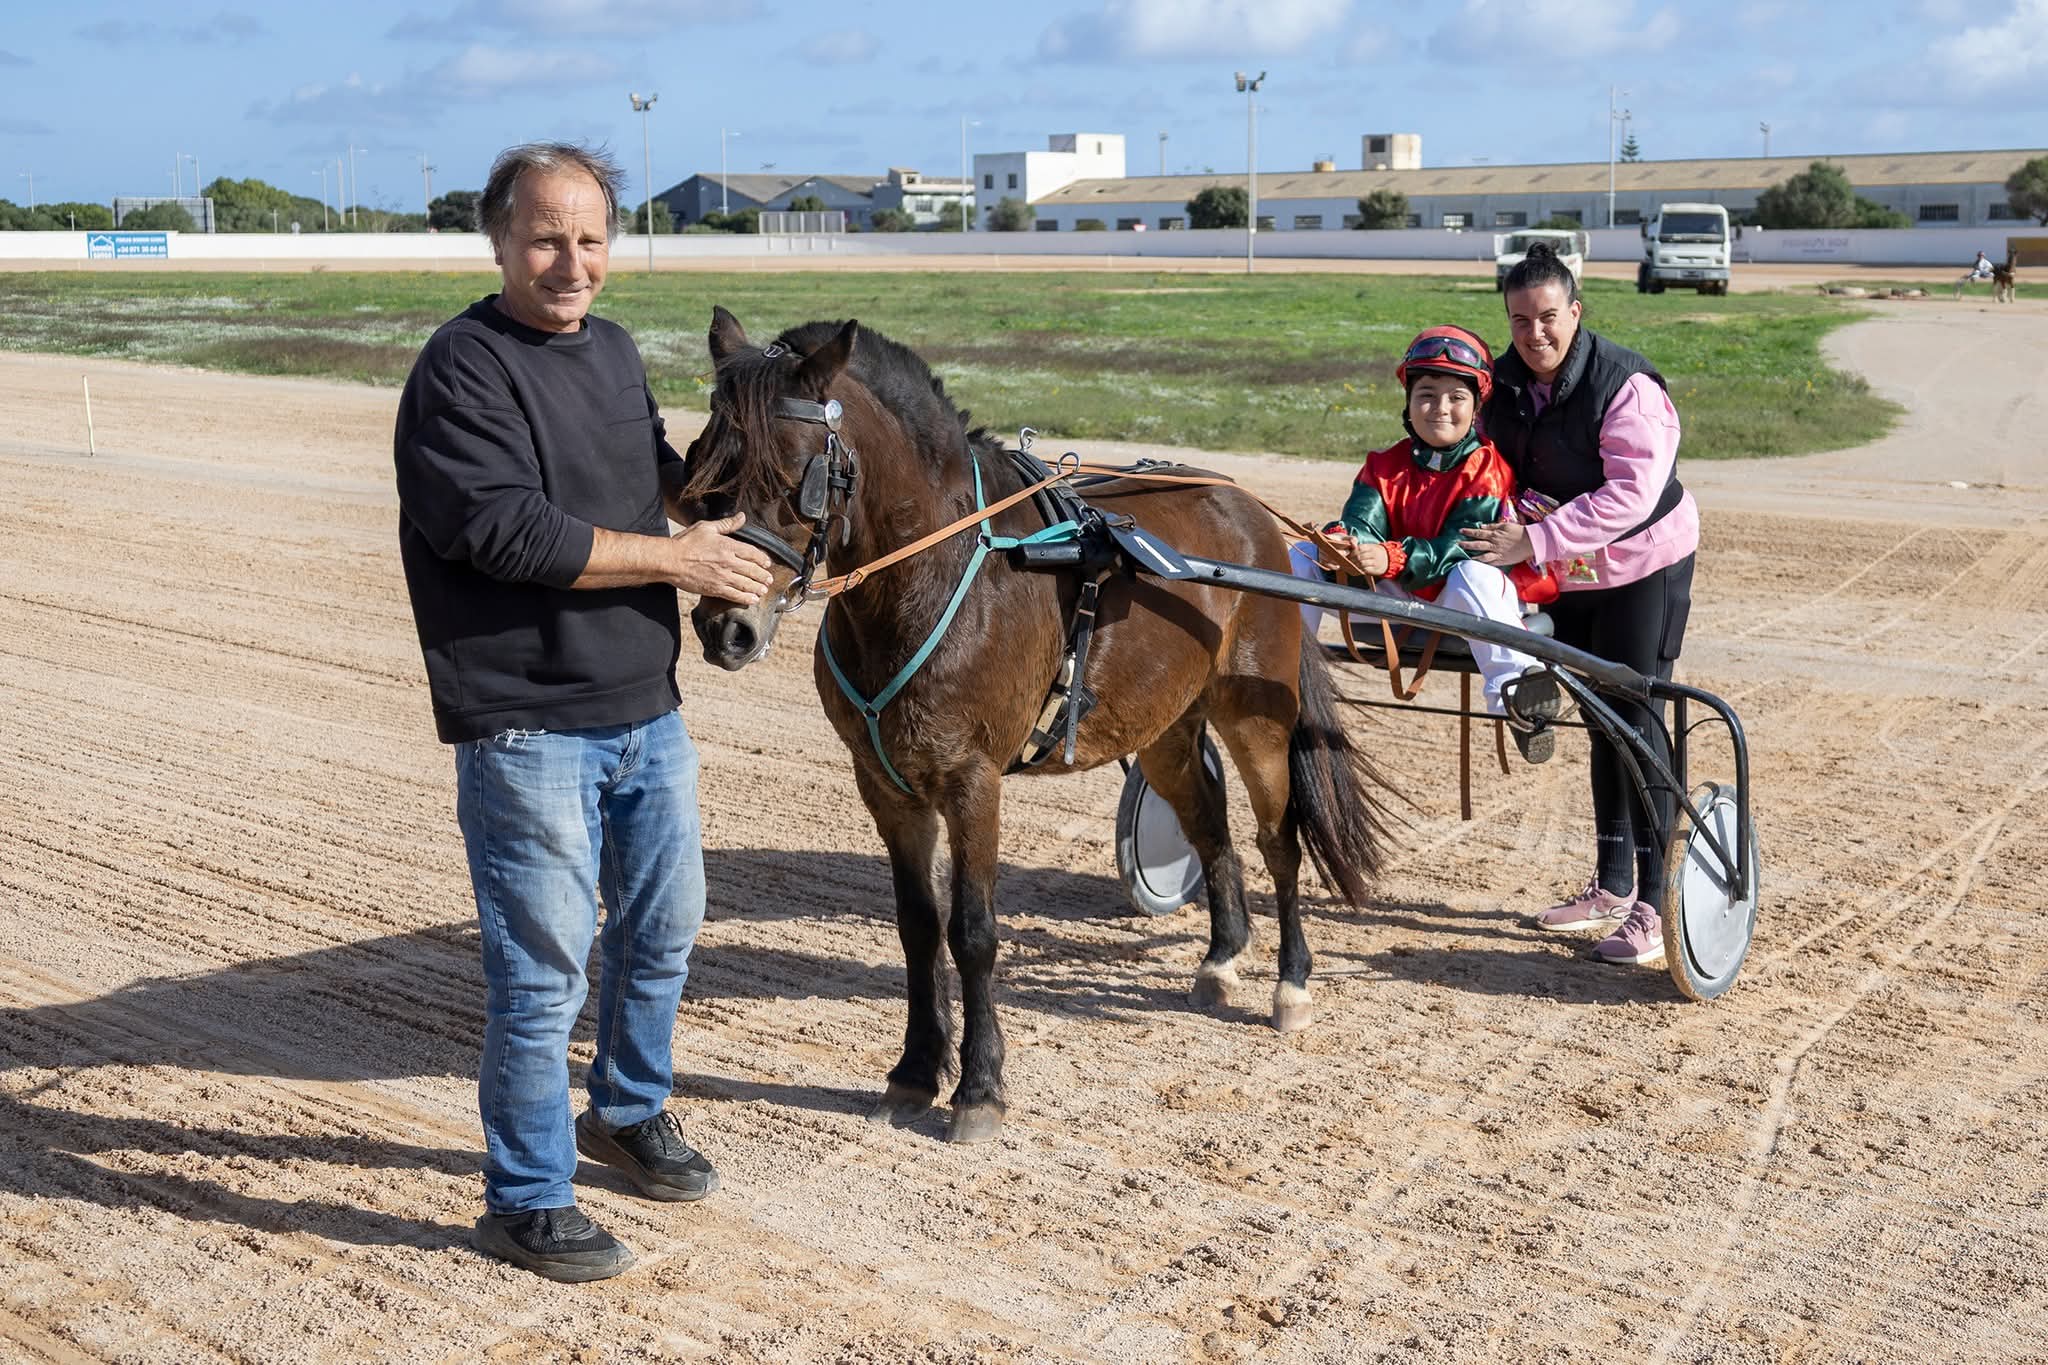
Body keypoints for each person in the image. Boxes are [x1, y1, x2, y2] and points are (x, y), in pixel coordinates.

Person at [393, 142, 773, 1281]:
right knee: (543, 975)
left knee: (660, 934)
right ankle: (523, 1197)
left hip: (643, 710)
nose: (572, 263)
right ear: (500, 242)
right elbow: (506, 531)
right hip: (526, 724)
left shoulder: (608, 351)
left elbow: (645, 475)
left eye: (591, 238)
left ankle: (628, 1109)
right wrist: (677, 560)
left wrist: (744, 530)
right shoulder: (461, 369)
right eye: (547, 238)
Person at [1460, 243, 1699, 968]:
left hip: (1642, 563)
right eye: (1520, 319)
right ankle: (1613, 883)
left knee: (1636, 716)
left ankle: (1655, 906)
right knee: (1601, 718)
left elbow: (1631, 494)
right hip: (1567, 569)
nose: (1535, 333)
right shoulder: (1497, 382)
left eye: (1549, 317)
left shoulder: (1625, 385)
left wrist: (1535, 538)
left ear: (1577, 312)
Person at [1289, 325, 1560, 760]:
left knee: (1475, 574)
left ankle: (1518, 696)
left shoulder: (1487, 468)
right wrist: (1341, 544)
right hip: (1399, 592)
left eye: (1456, 397)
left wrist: (1391, 557)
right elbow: (1361, 521)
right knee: (1302, 553)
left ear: (1476, 407)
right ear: (1409, 402)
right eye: (1427, 394)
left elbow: (1462, 547)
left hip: (1461, 597)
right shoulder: (1383, 464)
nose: (1439, 408)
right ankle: (1281, 674)